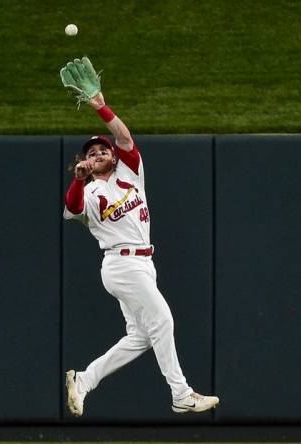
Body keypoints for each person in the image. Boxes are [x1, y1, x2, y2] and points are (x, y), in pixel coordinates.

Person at [60, 57, 219, 416]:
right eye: (91, 152)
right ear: (84, 160)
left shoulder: (131, 174)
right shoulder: (88, 192)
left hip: (144, 264)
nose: (99, 152)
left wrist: (101, 107)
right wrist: (78, 177)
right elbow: (70, 210)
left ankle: (84, 380)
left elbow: (125, 137)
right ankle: (181, 394)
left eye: (103, 150)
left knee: (142, 337)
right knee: (163, 320)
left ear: (113, 158)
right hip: (120, 264)